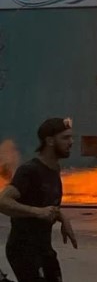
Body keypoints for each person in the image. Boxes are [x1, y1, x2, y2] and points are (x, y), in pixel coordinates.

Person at [0, 118, 77, 282]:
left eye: (71, 137)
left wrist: (62, 216)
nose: (71, 142)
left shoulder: (53, 169)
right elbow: (3, 201)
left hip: (44, 249)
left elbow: (44, 202)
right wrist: (37, 212)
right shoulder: (29, 171)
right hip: (23, 250)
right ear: (49, 141)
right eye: (65, 138)